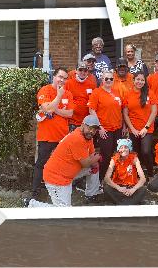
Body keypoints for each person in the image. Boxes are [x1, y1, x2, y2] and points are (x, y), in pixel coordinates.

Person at [27, 115, 103, 207]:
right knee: (64, 212)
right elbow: (86, 163)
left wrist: (94, 161)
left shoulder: (88, 137)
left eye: (94, 129)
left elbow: (91, 155)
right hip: (56, 178)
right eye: (90, 128)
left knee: (94, 168)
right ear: (82, 125)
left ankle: (91, 195)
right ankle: (32, 204)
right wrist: (96, 158)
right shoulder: (77, 138)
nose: (92, 131)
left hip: (67, 173)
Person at [30, 68, 74, 200]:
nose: (62, 80)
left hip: (62, 137)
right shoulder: (45, 90)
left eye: (65, 78)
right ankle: (35, 193)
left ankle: (57, 191)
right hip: (47, 136)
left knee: (59, 165)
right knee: (41, 164)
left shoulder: (69, 94)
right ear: (54, 77)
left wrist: (54, 109)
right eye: (60, 77)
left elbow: (70, 113)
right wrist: (59, 96)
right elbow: (47, 108)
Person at [88, 69, 124, 182]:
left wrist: (123, 126)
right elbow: (91, 110)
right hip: (105, 129)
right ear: (102, 80)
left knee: (117, 154)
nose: (109, 80)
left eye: (111, 79)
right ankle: (102, 179)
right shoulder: (96, 92)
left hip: (118, 128)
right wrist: (100, 127)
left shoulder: (117, 92)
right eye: (106, 78)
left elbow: (121, 110)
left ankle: (113, 177)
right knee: (106, 155)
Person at [121, 71, 158, 176]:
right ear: (133, 80)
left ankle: (151, 174)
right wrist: (132, 129)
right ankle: (138, 174)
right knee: (135, 153)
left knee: (146, 151)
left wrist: (146, 128)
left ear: (145, 81)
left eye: (142, 80)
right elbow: (125, 114)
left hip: (147, 129)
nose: (140, 82)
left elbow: (154, 111)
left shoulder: (150, 93)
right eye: (138, 79)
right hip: (134, 129)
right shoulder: (128, 94)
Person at [103, 138, 148, 205]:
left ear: (129, 149)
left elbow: (143, 179)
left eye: (126, 147)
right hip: (118, 187)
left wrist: (133, 189)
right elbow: (106, 178)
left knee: (143, 189)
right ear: (118, 149)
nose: (123, 149)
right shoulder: (114, 159)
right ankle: (130, 202)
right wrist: (119, 188)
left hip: (131, 186)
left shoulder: (134, 158)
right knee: (106, 187)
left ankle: (120, 202)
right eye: (121, 147)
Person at [66, 60, 96, 131]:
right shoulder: (68, 83)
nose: (83, 72)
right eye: (80, 70)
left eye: (85, 70)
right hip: (72, 122)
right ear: (76, 71)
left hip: (86, 122)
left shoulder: (92, 84)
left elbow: (94, 102)